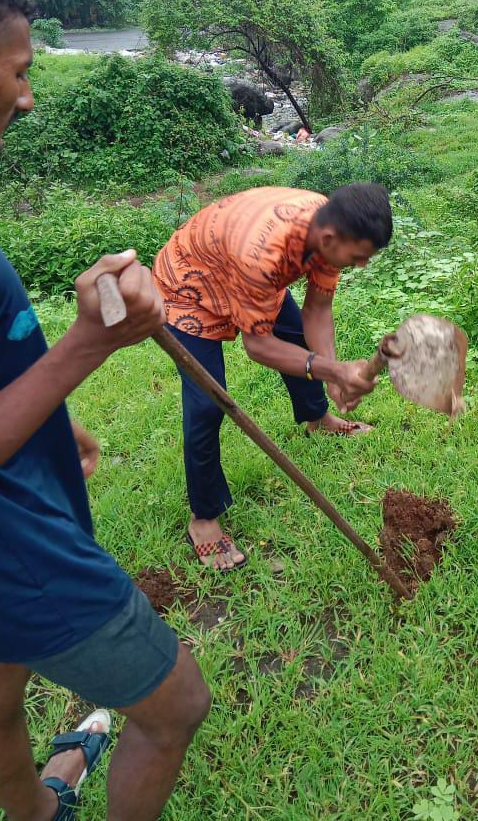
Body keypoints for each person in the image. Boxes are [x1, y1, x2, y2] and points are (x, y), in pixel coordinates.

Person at [0, 0, 210, 821]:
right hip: (13, 549)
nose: (29, 96)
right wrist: (91, 344)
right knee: (175, 709)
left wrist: (56, 413)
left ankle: (36, 813)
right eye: (19, 70)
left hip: (21, 495)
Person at [152, 181, 392, 570]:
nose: (361, 265)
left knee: (296, 334)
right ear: (330, 238)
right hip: (189, 287)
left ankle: (319, 419)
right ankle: (204, 519)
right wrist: (332, 368)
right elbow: (259, 346)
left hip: (243, 275)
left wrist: (332, 378)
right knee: (208, 403)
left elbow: (317, 309)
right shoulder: (263, 254)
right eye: (360, 256)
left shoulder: (328, 224)